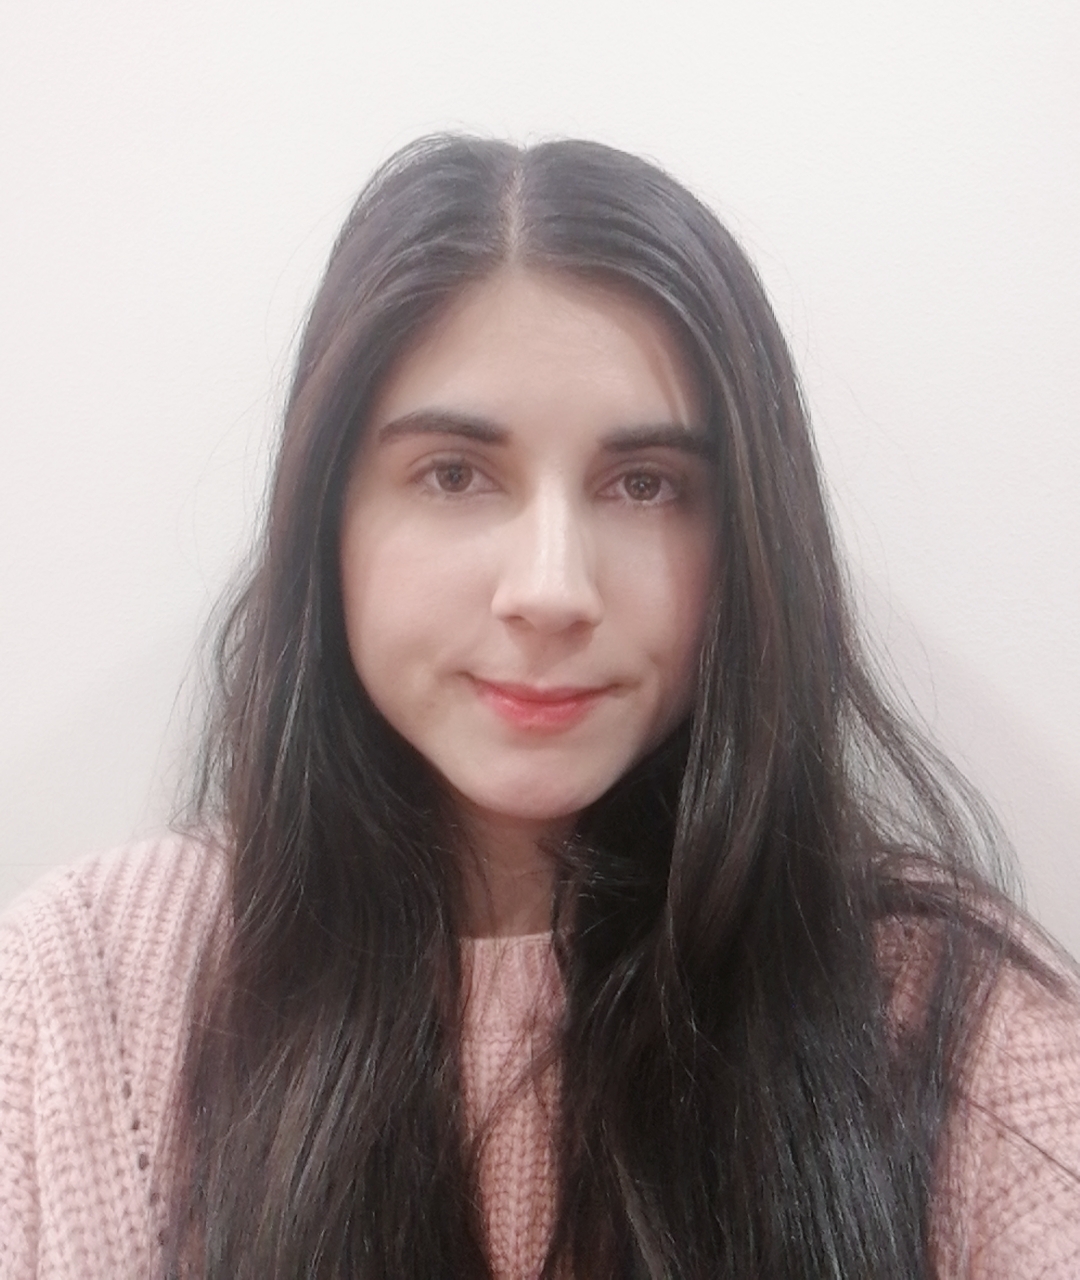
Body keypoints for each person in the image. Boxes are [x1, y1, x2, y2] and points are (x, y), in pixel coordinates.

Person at [1, 135, 1078, 1280]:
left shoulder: (950, 1027)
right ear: (328, 519)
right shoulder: (80, 999)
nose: (553, 589)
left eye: (645, 485)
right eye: (456, 474)